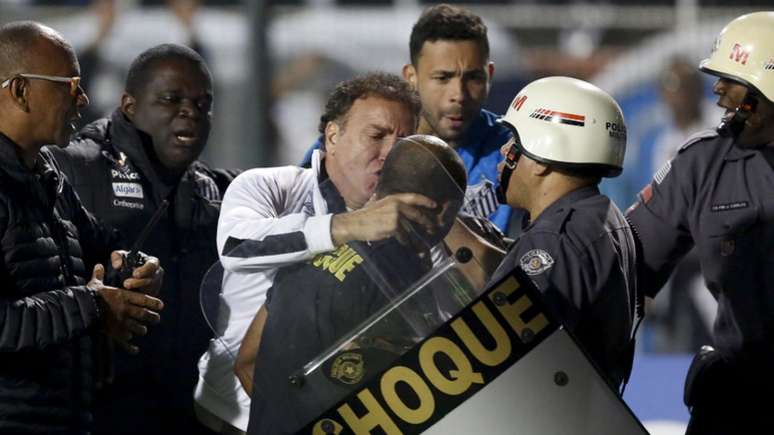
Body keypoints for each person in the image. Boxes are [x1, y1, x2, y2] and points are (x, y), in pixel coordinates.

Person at [194, 72, 439, 434]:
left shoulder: (402, 226)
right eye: (376, 136)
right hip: (231, 416)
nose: (389, 153)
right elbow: (236, 247)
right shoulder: (271, 186)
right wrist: (351, 225)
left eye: (403, 142)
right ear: (333, 136)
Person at [45, 43, 236, 434]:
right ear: (130, 105)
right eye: (171, 99)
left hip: (189, 415)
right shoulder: (71, 168)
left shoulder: (213, 192)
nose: (190, 112)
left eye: (203, 104)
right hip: (98, 415)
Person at [0, 21, 164, 434]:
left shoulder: (45, 171)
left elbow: (99, 247)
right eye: (70, 85)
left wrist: (133, 269)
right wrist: (92, 306)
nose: (84, 98)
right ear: (20, 90)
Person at [244, 134, 467, 435]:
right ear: (437, 208)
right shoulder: (403, 272)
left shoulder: (319, 241)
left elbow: (247, 361)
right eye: (454, 212)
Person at [626, 11, 774, 434]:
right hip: (736, 404)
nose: (718, 91)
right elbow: (623, 262)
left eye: (733, 80)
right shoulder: (703, 163)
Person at [301, 4, 517, 235]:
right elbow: (298, 228)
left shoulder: (513, 151)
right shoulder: (351, 141)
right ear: (411, 77)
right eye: (442, 78)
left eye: (473, 78)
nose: (459, 95)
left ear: (490, 75)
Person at [491, 76, 640, 389]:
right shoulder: (602, 217)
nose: (504, 152)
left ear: (542, 155)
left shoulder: (554, 239)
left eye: (514, 141)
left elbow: (499, 351)